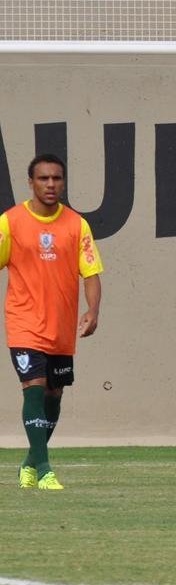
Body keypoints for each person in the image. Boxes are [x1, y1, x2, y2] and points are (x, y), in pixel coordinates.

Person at [2, 154, 103, 490]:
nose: (50, 185)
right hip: (24, 323)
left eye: (56, 179)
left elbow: (90, 272)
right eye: (43, 179)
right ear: (30, 182)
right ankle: (44, 469)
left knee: (54, 394)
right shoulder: (10, 222)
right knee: (33, 388)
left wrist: (93, 310)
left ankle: (30, 461)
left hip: (60, 328)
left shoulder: (76, 224)